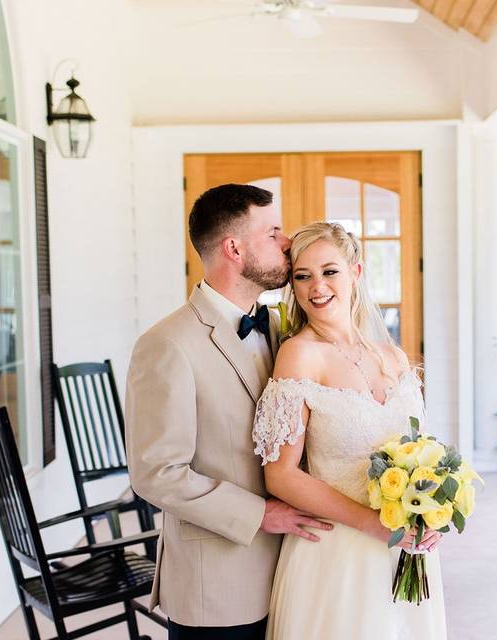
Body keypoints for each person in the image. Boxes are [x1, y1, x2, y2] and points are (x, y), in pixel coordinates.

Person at [126, 184, 331, 640]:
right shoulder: (166, 345)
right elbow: (155, 473)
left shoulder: (281, 328)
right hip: (217, 585)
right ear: (234, 248)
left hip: (296, 568)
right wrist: (261, 515)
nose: (287, 242)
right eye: (274, 231)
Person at [253, 222, 447, 639]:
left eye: (329, 271)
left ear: (355, 273)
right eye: (302, 276)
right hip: (338, 552)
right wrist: (376, 526)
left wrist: (431, 512)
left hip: (404, 548)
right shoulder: (299, 355)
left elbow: (423, 451)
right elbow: (280, 474)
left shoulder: (392, 356)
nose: (316, 287)